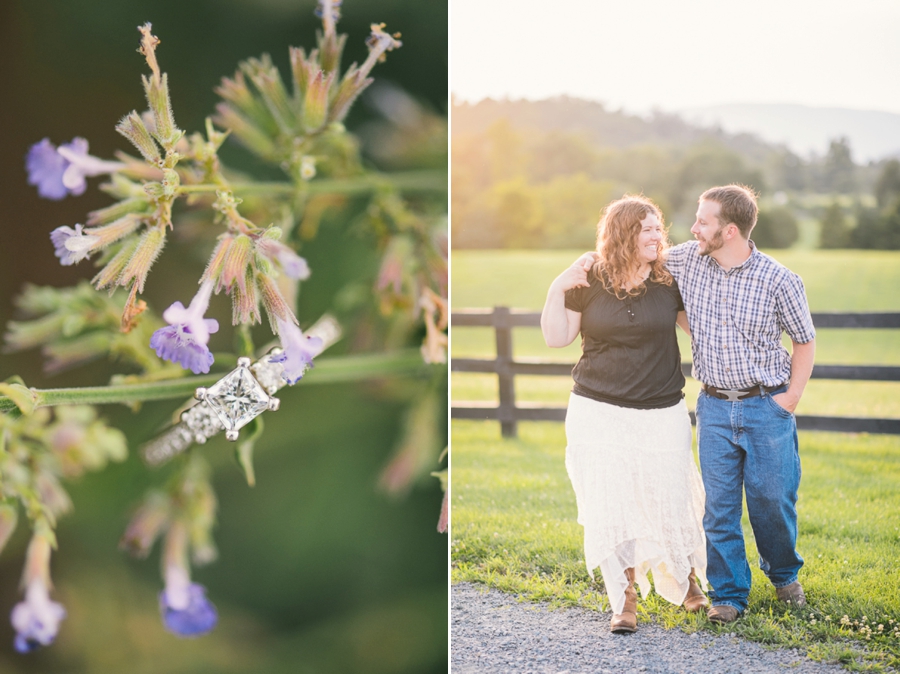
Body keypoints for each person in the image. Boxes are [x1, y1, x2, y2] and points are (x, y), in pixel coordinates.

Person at [573, 184, 816, 624]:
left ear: (730, 231)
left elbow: (804, 340)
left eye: (703, 221)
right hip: (716, 407)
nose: (692, 229)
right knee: (718, 508)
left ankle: (784, 578)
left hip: (766, 406)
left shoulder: (780, 279)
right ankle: (728, 595)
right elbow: (629, 254)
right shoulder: (685, 261)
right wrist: (585, 263)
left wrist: (790, 399)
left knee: (772, 502)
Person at [541, 195, 709, 634]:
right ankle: (625, 598)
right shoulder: (588, 278)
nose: (657, 236)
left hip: (662, 406)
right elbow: (557, 337)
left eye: (659, 229)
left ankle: (687, 579)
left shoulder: (670, 279)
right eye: (647, 229)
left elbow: (701, 332)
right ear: (623, 234)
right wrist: (556, 286)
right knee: (611, 501)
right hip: (597, 408)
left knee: (669, 493)